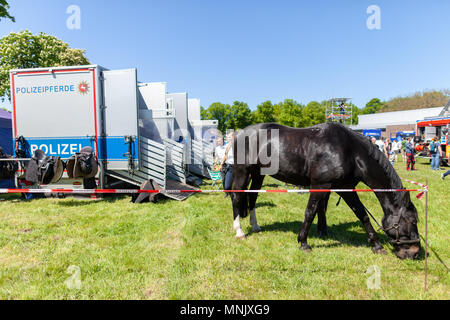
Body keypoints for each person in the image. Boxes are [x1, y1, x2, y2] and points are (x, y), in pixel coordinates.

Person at [220, 131, 235, 198]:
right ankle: (230, 194)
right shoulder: (228, 145)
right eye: (228, 137)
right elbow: (225, 156)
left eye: (229, 137)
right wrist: (221, 164)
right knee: (227, 186)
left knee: (241, 185)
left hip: (238, 168)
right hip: (230, 167)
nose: (228, 138)